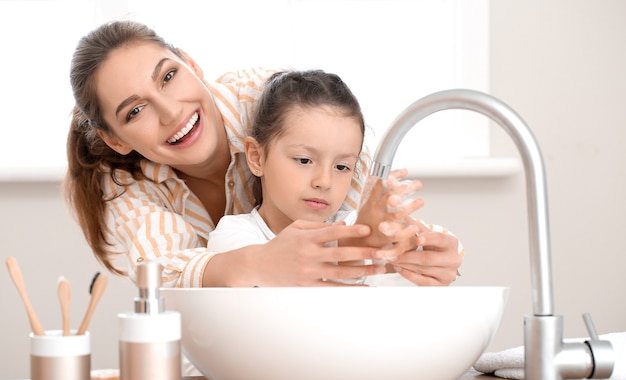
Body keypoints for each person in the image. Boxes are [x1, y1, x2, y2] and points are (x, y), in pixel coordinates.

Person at [64, 20, 462, 288]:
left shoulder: (270, 101)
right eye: (135, 111)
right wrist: (257, 263)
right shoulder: (124, 182)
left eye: (168, 76)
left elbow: (357, 216)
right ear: (116, 139)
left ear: (191, 63)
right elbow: (160, 275)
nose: (171, 112)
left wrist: (421, 253)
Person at [207, 69, 431, 283]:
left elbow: (408, 262)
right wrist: (358, 243)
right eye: (304, 160)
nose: (324, 182)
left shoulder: (354, 222)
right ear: (257, 157)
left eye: (342, 167)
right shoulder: (233, 236)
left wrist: (401, 239)